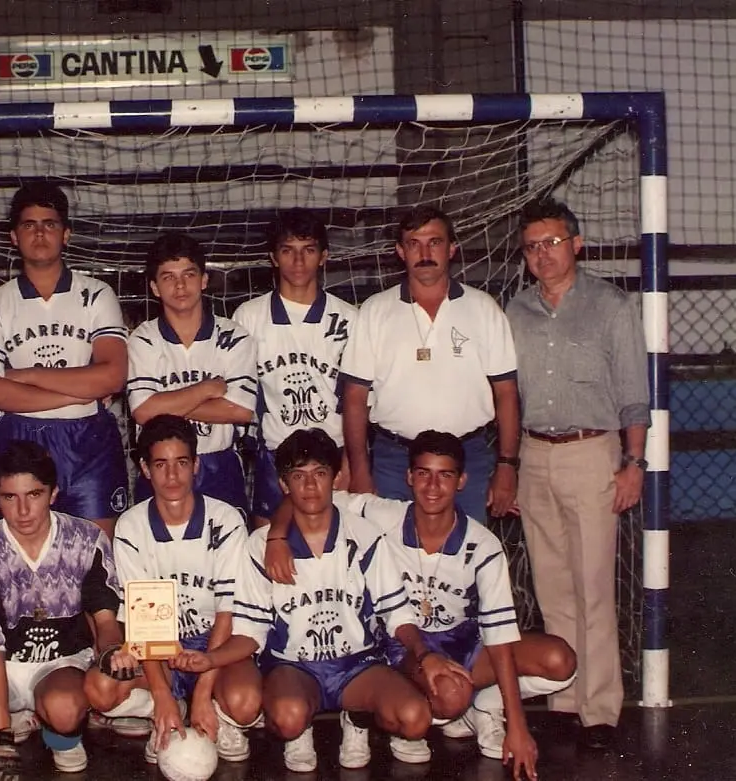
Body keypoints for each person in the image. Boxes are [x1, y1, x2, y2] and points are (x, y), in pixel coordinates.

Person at [262, 431, 577, 780]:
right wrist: (277, 534)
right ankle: (443, 704)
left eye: (445, 475)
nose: (432, 486)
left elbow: (500, 637)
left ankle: (489, 703)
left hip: (463, 642)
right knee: (450, 697)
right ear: (409, 477)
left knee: (559, 660)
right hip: (405, 647)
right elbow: (308, 493)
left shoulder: (483, 546)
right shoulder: (382, 515)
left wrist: (518, 728)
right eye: (424, 473)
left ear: (461, 481)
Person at [169, 429, 467, 772]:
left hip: (358, 665)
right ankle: (303, 727)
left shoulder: (365, 536)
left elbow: (396, 614)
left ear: (336, 478)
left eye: (320, 474)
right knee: (288, 718)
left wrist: (424, 654)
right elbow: (250, 634)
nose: (310, 487)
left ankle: (358, 717)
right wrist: (211, 659)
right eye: (299, 476)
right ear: (284, 485)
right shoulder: (260, 546)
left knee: (415, 719)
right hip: (293, 666)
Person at [507, 198, 649, 749]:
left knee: (593, 588)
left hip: (593, 453)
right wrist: (512, 466)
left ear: (577, 243)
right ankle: (564, 698)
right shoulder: (515, 311)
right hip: (533, 454)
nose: (544, 254)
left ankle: (600, 709)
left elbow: (636, 397)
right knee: (552, 587)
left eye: (554, 242)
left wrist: (632, 464)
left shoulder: (611, 306)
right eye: (533, 246)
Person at [0, 441, 125, 775]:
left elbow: (105, 616)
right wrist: (1, 738)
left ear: (52, 494)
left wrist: (111, 651)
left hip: (60, 664)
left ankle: (60, 735)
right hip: (0, 667)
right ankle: (3, 724)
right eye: (10, 497)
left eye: (33, 495)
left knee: (64, 710)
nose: (22, 511)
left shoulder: (86, 539)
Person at [85, 414, 249, 762]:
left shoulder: (227, 520)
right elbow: (145, 625)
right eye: (160, 464)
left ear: (196, 465)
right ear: (144, 469)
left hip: (213, 643)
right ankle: (166, 710)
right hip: (160, 644)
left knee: (246, 703)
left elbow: (227, 613)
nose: (172, 476)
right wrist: (162, 695)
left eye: (181, 463)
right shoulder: (132, 527)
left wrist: (204, 691)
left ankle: (213, 709)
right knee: (100, 690)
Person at [340, 206, 519, 523]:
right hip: (394, 462)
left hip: (468, 460)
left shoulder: (484, 309)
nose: (424, 252)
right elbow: (354, 399)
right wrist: (359, 470)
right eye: (413, 243)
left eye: (434, 242)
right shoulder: (374, 311)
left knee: (463, 562)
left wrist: (506, 466)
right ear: (400, 251)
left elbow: (506, 393)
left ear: (452, 248)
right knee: (391, 562)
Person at [0, 183, 129, 538]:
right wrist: (77, 391)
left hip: (89, 439)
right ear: (13, 236)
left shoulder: (98, 294)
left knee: (97, 558)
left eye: (50, 224)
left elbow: (112, 376)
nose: (40, 233)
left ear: (66, 234)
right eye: (29, 225)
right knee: (22, 561)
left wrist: (24, 375)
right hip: (21, 437)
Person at [233, 210, 358, 526]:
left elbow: (359, 401)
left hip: (334, 458)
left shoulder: (349, 318)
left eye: (309, 249)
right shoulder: (248, 317)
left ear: (324, 256)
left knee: (335, 551)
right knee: (270, 549)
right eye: (288, 250)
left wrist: (351, 461)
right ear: (274, 258)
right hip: (275, 455)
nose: (299, 261)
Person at [126, 232, 257, 517]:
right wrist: (206, 389)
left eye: (188, 274)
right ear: (155, 288)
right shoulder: (143, 339)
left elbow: (242, 410)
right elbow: (143, 412)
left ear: (204, 280)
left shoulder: (234, 336)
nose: (180, 285)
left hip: (217, 463)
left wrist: (166, 405)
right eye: (168, 277)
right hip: (161, 468)